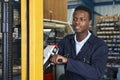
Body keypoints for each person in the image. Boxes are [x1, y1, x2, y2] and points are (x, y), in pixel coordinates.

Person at [50, 5, 108, 80]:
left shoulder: (99, 45)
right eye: (75, 19)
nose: (77, 22)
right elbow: (54, 54)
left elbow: (96, 73)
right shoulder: (66, 41)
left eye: (82, 19)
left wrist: (68, 61)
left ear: (90, 22)